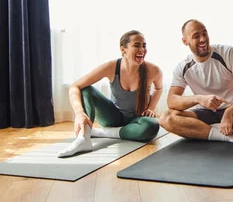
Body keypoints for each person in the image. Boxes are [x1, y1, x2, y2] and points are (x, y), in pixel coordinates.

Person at [159, 19, 233, 144]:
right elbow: (172, 100)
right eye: (196, 36)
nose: (203, 39)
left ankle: (207, 131)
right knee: (166, 118)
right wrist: (199, 99)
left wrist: (230, 111)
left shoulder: (228, 53)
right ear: (185, 41)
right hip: (205, 114)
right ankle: (224, 135)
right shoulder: (183, 67)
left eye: (204, 33)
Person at [57, 30, 163, 158]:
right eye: (137, 45)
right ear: (123, 50)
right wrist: (79, 113)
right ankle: (83, 139)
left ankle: (103, 133)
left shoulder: (153, 70)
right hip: (113, 118)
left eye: (144, 45)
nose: (142, 49)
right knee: (86, 90)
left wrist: (151, 108)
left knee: (152, 126)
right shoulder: (111, 67)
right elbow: (75, 86)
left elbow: (159, 88)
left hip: (138, 120)